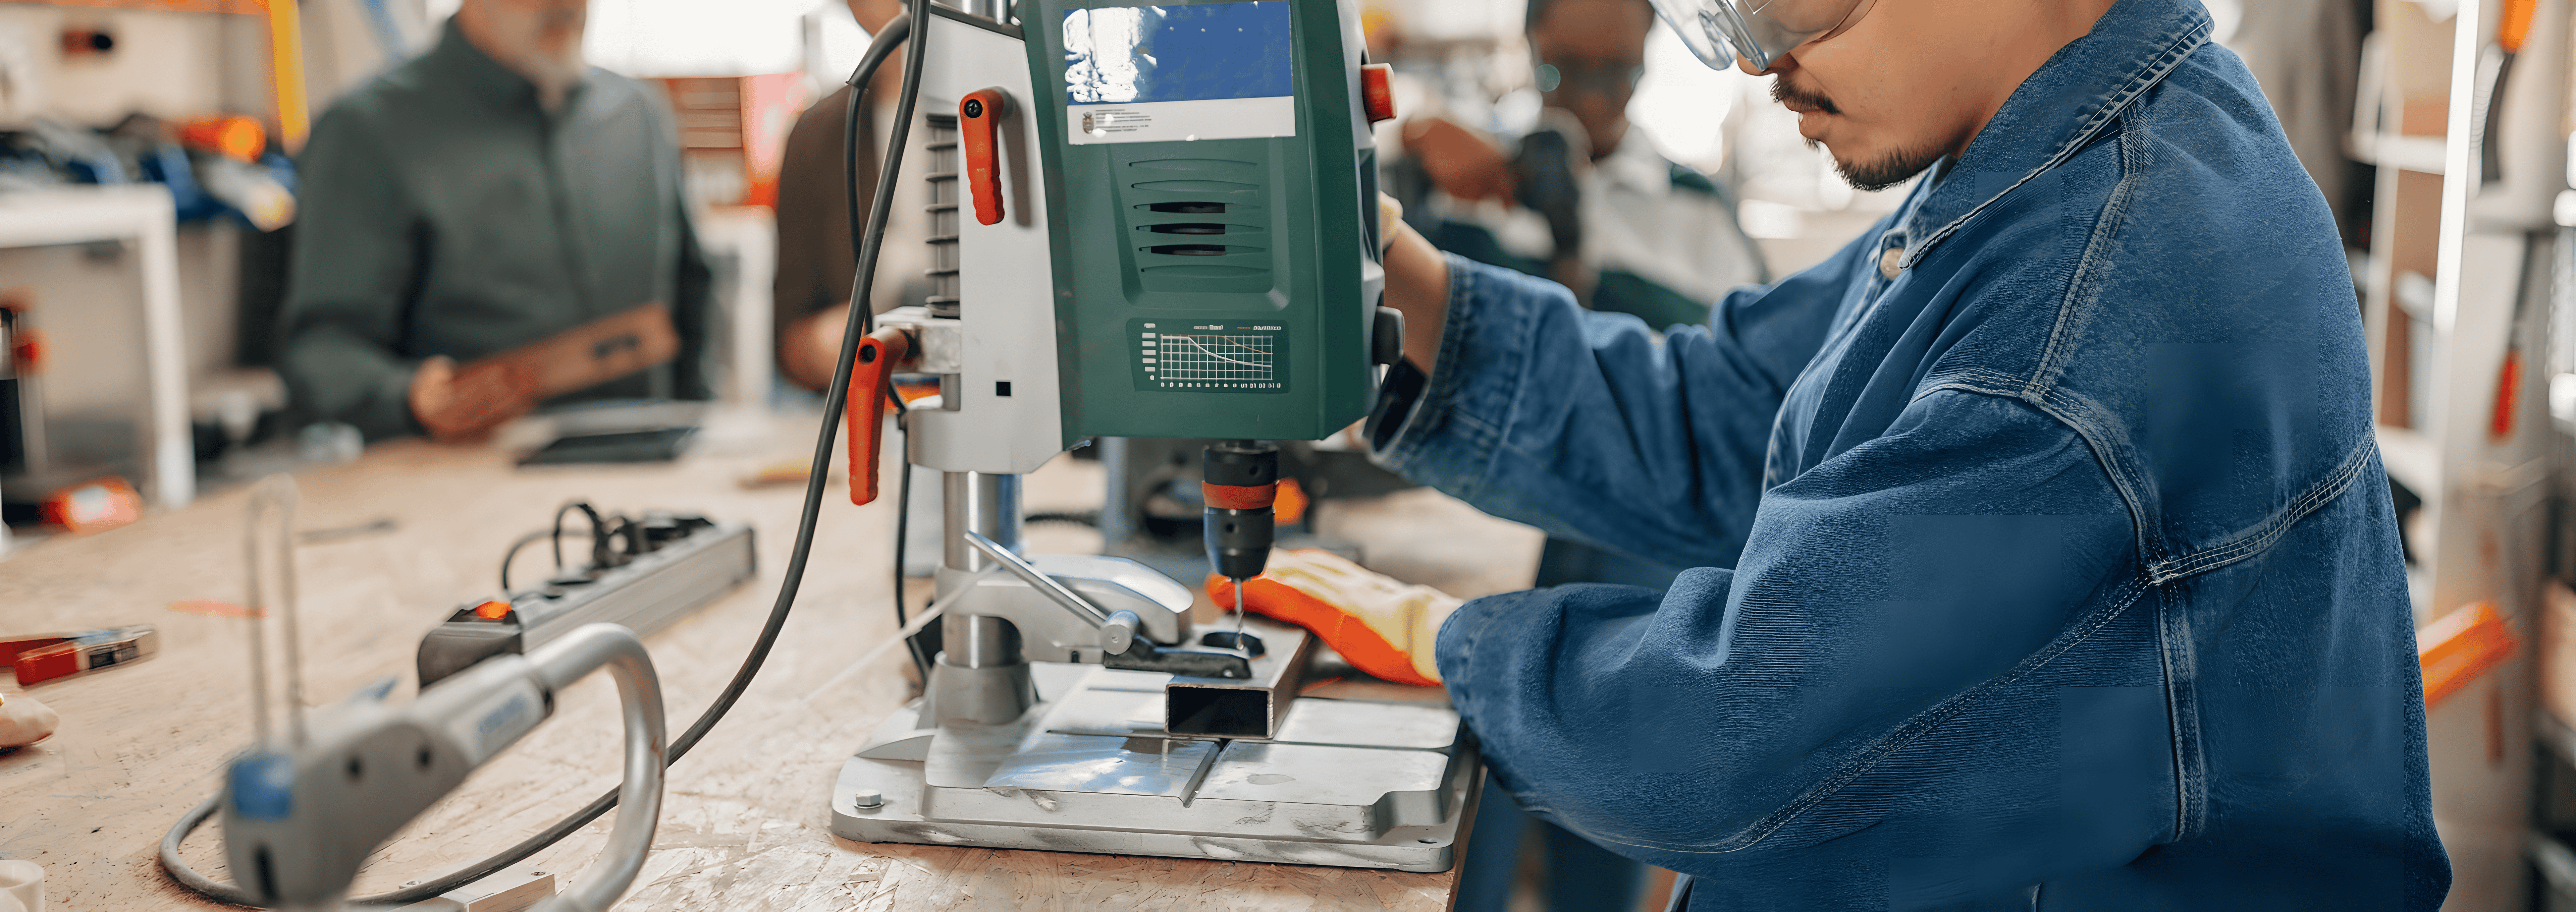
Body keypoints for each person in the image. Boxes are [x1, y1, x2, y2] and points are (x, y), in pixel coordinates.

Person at [1358, 0, 2445, 906]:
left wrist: (1442, 643)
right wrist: (1387, 266)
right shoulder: (2048, 157)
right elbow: (1737, 418)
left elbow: (1740, 740)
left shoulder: (2085, 320)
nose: (1757, 57)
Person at [278, 0, 711, 443]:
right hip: (464, 484)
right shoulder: (368, 132)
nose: (563, 6)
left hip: (651, 476)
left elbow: (693, 294)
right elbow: (322, 348)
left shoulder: (638, 114)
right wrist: (411, 396)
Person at [1391, 0, 1765, 333]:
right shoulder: (1464, 182)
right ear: (1531, 47)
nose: (1593, 99)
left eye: (1619, 73)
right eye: (1564, 69)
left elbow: (1760, 367)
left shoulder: (1703, 211)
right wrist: (1409, 125)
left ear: (1645, 56)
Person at [773, 0, 906, 393]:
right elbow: (788, 335)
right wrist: (820, 344)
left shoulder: (1021, 111)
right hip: (873, 403)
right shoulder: (818, 135)